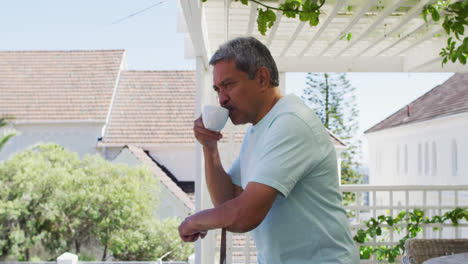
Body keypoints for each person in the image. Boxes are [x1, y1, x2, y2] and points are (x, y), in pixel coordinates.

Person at [178, 36, 359, 263]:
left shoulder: (291, 122)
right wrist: (210, 148)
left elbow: (244, 215)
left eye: (228, 85)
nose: (222, 99)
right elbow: (228, 200)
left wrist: (194, 221)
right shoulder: (258, 130)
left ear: (262, 78)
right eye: (217, 89)